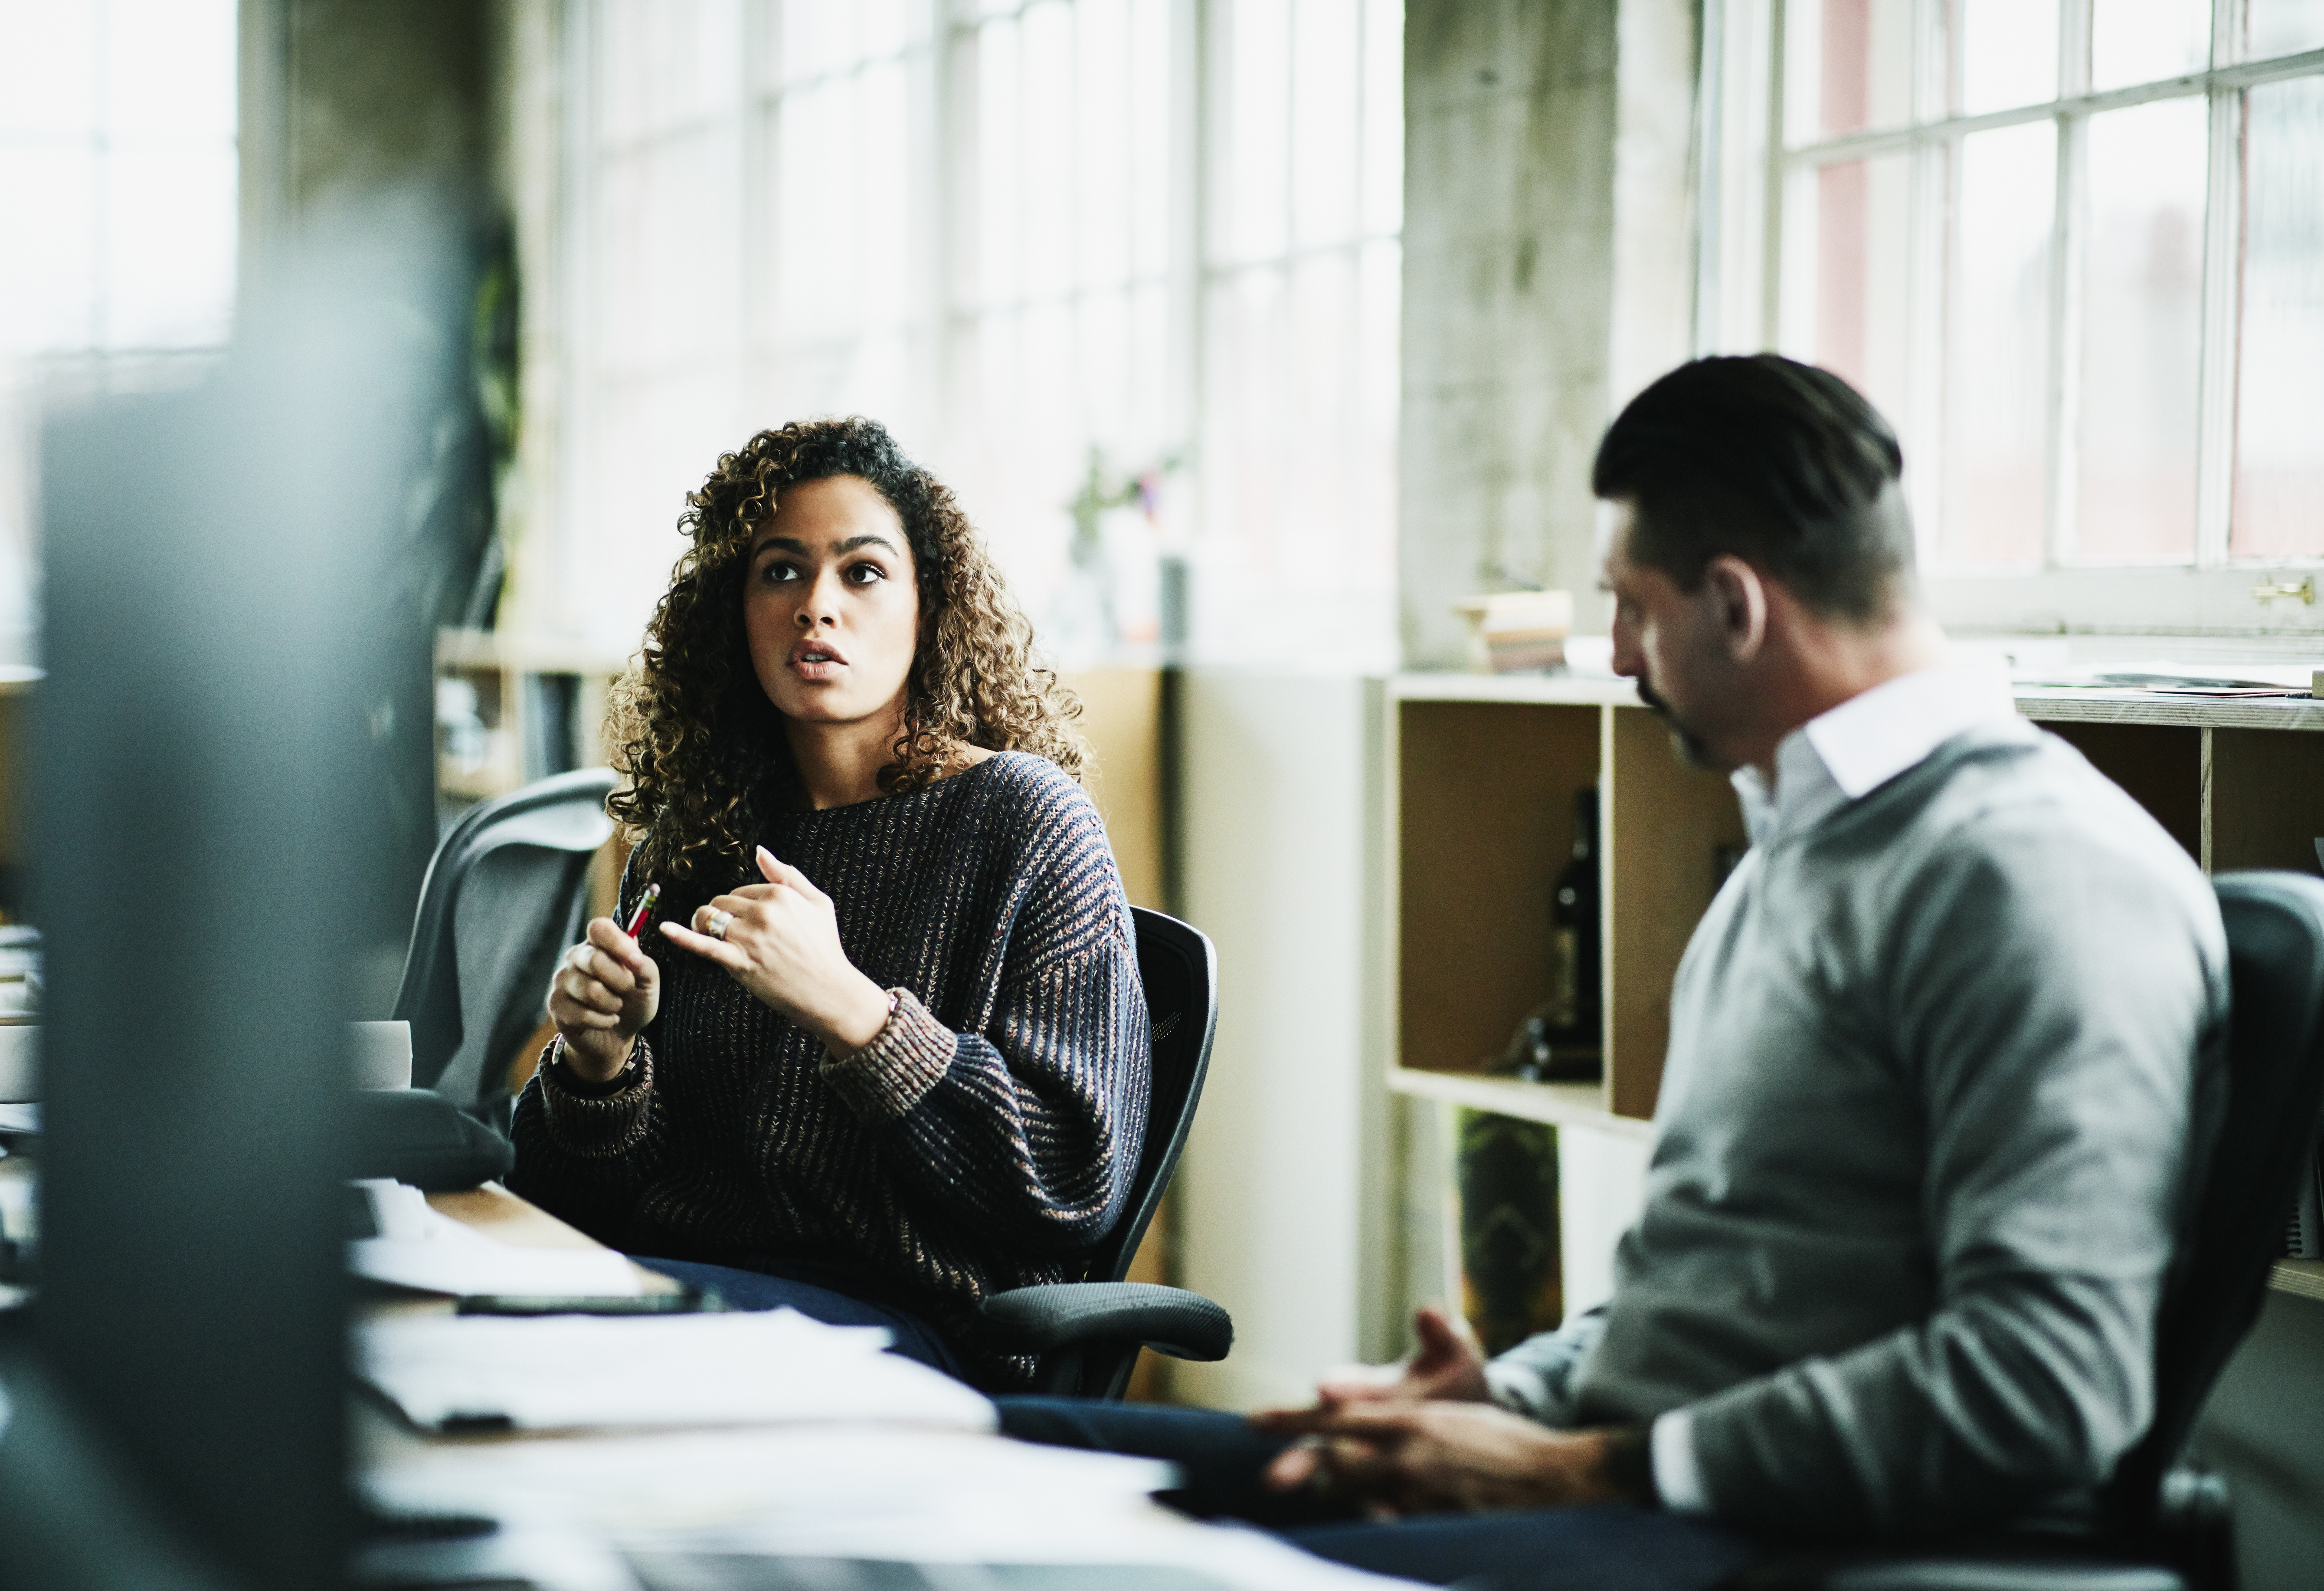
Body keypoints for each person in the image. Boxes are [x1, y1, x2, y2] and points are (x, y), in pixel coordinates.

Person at [999, 354, 2227, 1588]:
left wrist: (1567, 1467)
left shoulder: (2032, 875)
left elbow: (2047, 1381)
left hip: (1762, 1535)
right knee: (1005, 1452)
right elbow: (1702, 1294)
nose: (1618, 656)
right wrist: (1502, 1393)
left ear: (1736, 606)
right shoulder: (1796, 840)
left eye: (1631, 608)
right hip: (1624, 1478)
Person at [508, 417, 1153, 1389]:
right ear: (735, 611)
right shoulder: (694, 843)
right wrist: (599, 1074)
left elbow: (1071, 1183)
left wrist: (850, 1009)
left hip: (908, 1336)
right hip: (676, 1301)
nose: (817, 607)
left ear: (927, 609)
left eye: (861, 572)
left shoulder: (1025, 823)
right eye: (780, 571)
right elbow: (565, 1210)